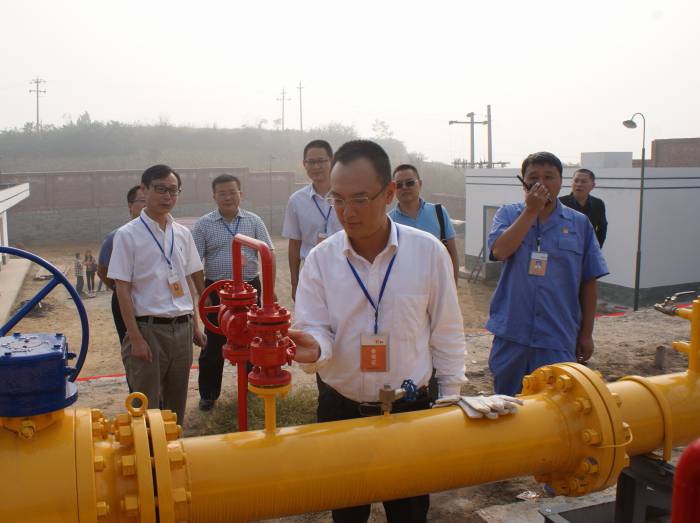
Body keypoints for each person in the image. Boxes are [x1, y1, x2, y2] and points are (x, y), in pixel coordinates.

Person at [288, 140, 468, 522]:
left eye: (360, 199)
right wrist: (313, 348)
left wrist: (450, 397)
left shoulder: (427, 252)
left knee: (409, 512)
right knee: (347, 512)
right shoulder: (320, 260)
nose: (347, 212)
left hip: (409, 408)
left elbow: (447, 330)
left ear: (388, 194)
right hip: (341, 409)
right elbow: (315, 326)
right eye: (338, 200)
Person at [486, 152, 609, 397]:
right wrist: (530, 212)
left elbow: (589, 282)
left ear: (561, 181)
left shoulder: (580, 224)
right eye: (533, 177)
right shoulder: (508, 214)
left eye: (549, 177)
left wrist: (586, 334)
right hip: (512, 335)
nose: (541, 183)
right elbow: (500, 251)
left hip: (557, 336)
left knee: (555, 408)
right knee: (508, 405)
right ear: (523, 182)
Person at [108, 164, 206, 425]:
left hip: (182, 330)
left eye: (173, 190)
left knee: (176, 404)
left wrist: (195, 326)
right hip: (148, 331)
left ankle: (172, 448)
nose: (167, 196)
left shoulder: (182, 234)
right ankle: (146, 450)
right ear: (144, 189)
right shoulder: (127, 235)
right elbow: (122, 289)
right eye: (160, 189)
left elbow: (186, 282)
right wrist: (135, 338)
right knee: (146, 407)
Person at [191, 174, 275, 411]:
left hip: (250, 289)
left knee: (252, 339)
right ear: (214, 196)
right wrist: (204, 294)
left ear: (241, 194)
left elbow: (268, 253)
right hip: (218, 291)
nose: (227, 197)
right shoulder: (204, 224)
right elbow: (194, 262)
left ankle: (252, 387)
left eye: (232, 192)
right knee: (213, 342)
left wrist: (269, 290)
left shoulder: (254, 221)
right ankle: (208, 394)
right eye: (222, 193)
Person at [282, 139, 342, 301]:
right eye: (311, 162)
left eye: (321, 161)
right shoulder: (296, 200)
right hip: (311, 273)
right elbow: (294, 244)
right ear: (304, 164)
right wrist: (295, 283)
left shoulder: (346, 194)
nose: (316, 166)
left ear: (332, 161)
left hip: (345, 270)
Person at [388, 164, 460, 285]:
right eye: (399, 185)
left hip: (438, 286)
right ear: (393, 189)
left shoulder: (439, 213)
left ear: (420, 184)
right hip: (404, 289)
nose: (404, 187)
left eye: (409, 183)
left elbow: (452, 254)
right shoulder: (388, 222)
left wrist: (453, 286)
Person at [97, 186, 147, 347]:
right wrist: (120, 289)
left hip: (152, 300)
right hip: (125, 300)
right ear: (130, 205)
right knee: (132, 347)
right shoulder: (116, 236)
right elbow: (102, 270)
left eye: (149, 200)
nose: (146, 204)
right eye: (142, 201)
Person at [559, 168, 608, 247]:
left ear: (593, 185)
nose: (579, 184)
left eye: (583, 181)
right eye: (576, 181)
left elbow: (602, 228)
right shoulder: (560, 202)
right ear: (571, 183)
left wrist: (596, 247)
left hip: (588, 248)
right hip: (565, 248)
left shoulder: (598, 204)